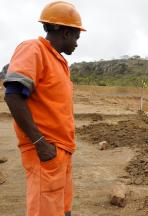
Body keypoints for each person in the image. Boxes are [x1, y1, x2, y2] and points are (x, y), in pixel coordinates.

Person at [3, 1, 86, 215]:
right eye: (77, 37)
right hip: (45, 151)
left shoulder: (58, 61)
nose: (77, 43)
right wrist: (40, 143)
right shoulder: (34, 49)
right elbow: (13, 95)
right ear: (66, 32)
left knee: (62, 209)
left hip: (60, 152)